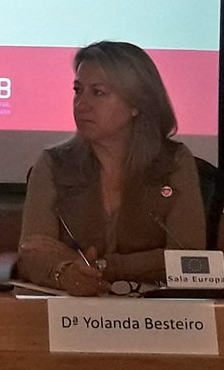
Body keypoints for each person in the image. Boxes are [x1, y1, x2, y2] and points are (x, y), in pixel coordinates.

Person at [18, 41, 206, 295]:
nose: (81, 104)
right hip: (73, 309)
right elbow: (31, 253)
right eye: (78, 90)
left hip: (157, 311)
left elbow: (190, 260)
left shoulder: (173, 162)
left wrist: (104, 266)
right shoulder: (54, 164)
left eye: (98, 93)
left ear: (135, 103)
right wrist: (65, 273)